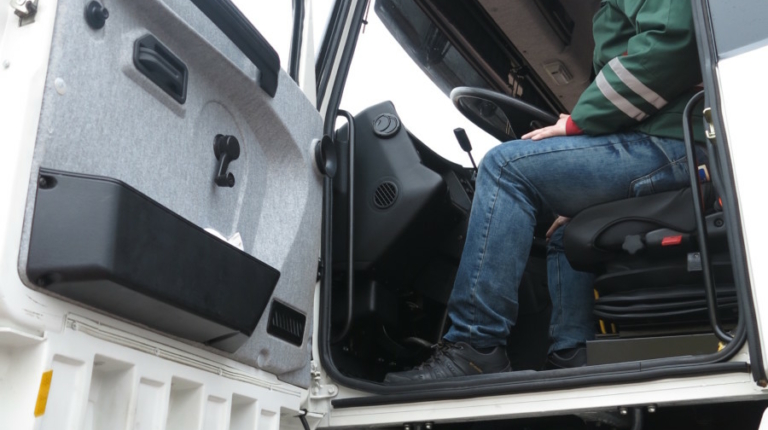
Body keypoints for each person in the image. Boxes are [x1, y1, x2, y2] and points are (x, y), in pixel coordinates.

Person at [384, 0, 706, 383]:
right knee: (564, 230)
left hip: (676, 142)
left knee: (504, 167)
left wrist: (578, 122)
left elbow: (672, 41)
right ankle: (573, 355)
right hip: (662, 142)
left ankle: (476, 346)